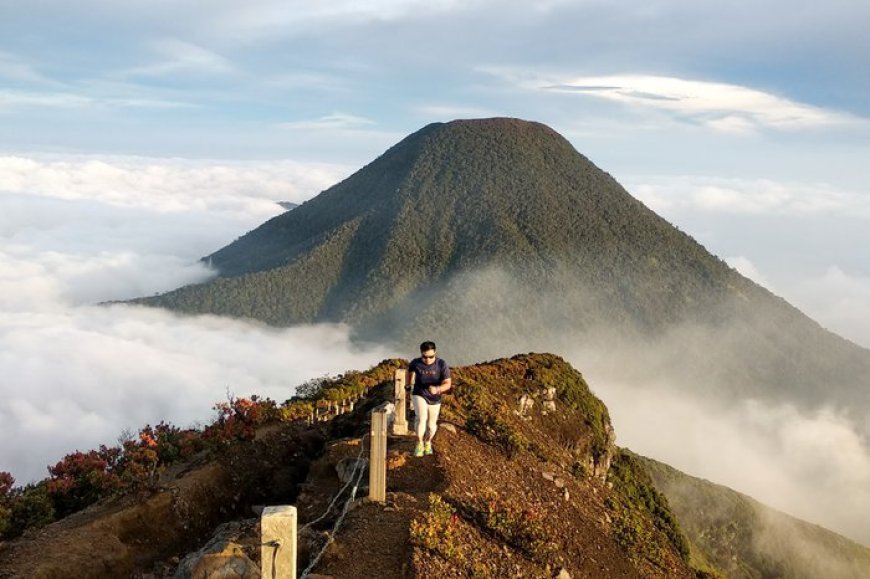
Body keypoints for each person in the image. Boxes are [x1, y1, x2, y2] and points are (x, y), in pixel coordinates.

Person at [407, 341, 451, 457]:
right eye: (425, 357)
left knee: (431, 425)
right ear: (421, 354)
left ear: (435, 353)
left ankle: (428, 442)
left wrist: (437, 389)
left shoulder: (441, 364)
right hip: (419, 393)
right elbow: (410, 371)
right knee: (421, 418)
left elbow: (448, 383)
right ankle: (419, 443)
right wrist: (408, 384)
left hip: (435, 397)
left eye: (431, 357)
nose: (427, 360)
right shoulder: (416, 363)